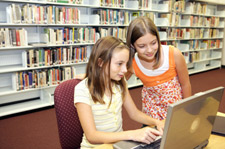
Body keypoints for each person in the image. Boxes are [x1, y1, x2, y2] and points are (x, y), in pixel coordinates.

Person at [74, 36, 164, 149]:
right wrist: (132, 134)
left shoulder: (120, 83)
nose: (125, 70)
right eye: (119, 64)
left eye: (126, 64)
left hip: (119, 144)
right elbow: (92, 136)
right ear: (101, 63)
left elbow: (134, 113)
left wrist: (157, 122)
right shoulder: (82, 89)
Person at [126, 16, 192, 121]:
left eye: (153, 43)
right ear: (133, 46)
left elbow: (185, 84)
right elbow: (119, 81)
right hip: (151, 115)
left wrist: (187, 109)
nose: (149, 50)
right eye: (142, 46)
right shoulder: (132, 63)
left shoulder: (173, 54)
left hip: (175, 111)